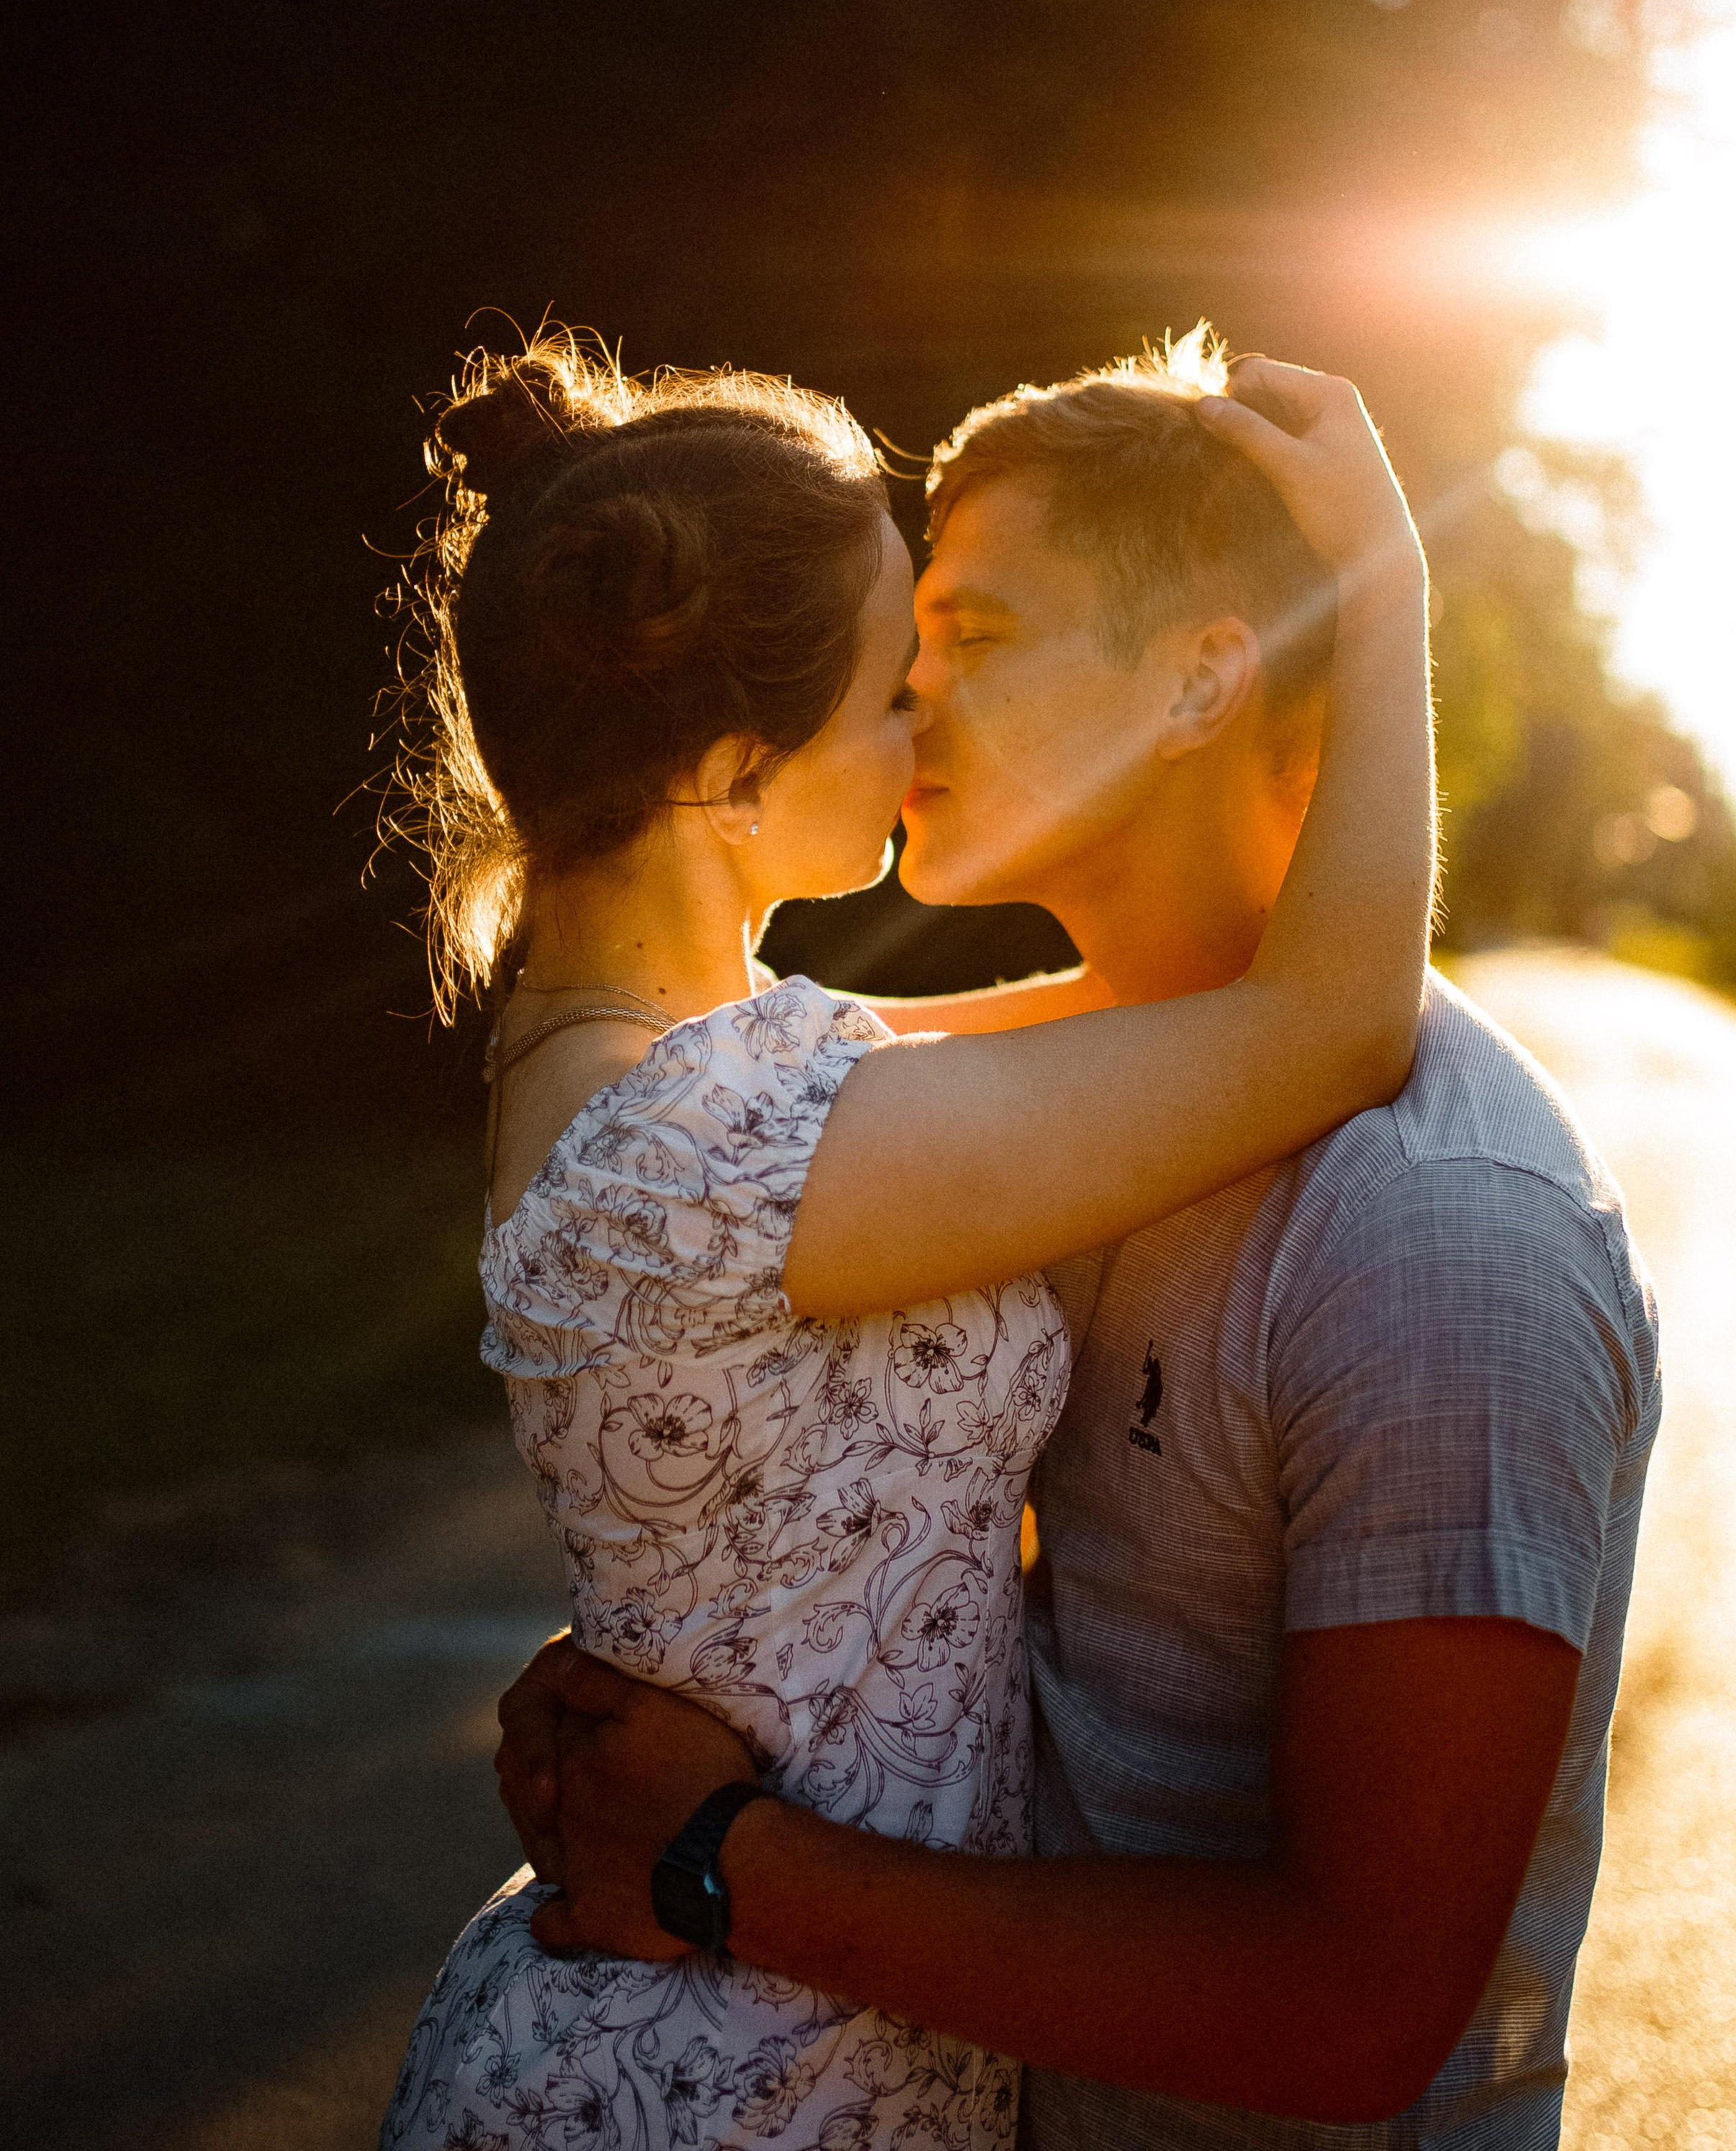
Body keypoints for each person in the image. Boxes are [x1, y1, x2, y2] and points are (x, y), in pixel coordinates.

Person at [493, 330, 1662, 2151]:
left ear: (1200, 680)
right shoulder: (995, 1126)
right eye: (911, 646)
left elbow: (1360, 2012)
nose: (912, 699)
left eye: (973, 637)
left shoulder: (1435, 1236)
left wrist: (719, 1853)